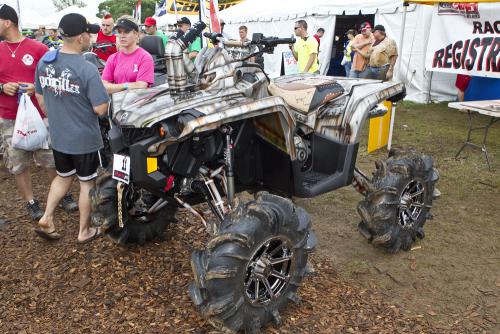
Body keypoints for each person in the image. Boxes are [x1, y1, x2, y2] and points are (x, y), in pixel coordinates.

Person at [34, 13, 109, 243]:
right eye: (89, 32)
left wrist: (57, 117)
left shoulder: (45, 62)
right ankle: (84, 231)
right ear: (80, 37)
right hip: (84, 138)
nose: (91, 36)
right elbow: (101, 109)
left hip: (59, 136)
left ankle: (47, 217)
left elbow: (40, 97)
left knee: (62, 176)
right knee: (87, 183)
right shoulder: (86, 69)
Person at [0, 4, 77, 221]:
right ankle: (31, 203)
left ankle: (62, 195)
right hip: (8, 116)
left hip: (39, 114)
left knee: (50, 159)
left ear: (7, 22)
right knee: (17, 163)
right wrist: (2, 87)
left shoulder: (38, 48)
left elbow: (58, 74)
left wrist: (37, 86)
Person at [101, 16, 154, 94]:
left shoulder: (145, 57)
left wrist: (116, 87)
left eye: (126, 32)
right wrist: (127, 86)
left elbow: (141, 86)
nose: (122, 36)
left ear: (136, 34)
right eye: (119, 32)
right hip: (117, 103)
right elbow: (104, 87)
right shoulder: (113, 58)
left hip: (137, 103)